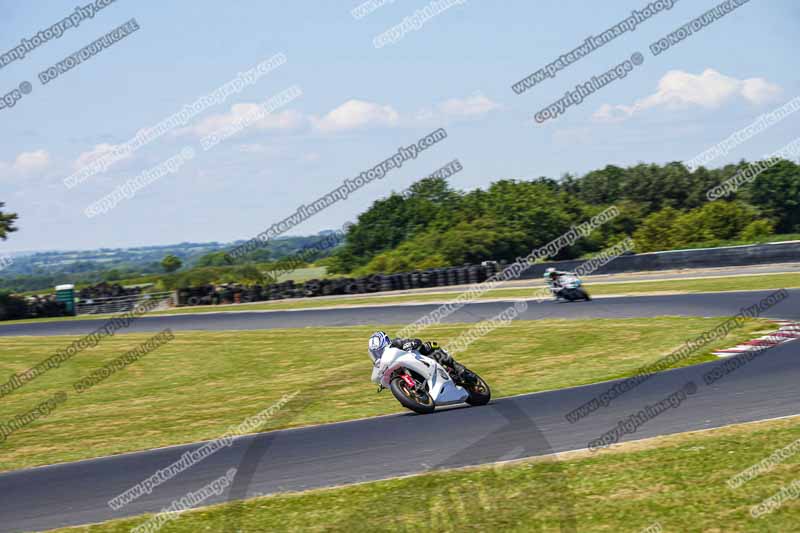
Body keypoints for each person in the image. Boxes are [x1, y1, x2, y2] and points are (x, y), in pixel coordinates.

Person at [368, 331, 471, 382]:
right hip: (415, 377)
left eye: (380, 351)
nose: (379, 354)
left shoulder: (396, 343)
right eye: (376, 353)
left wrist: (411, 344)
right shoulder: (383, 363)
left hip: (421, 360)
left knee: (429, 346)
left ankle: (457, 368)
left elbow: (417, 341)